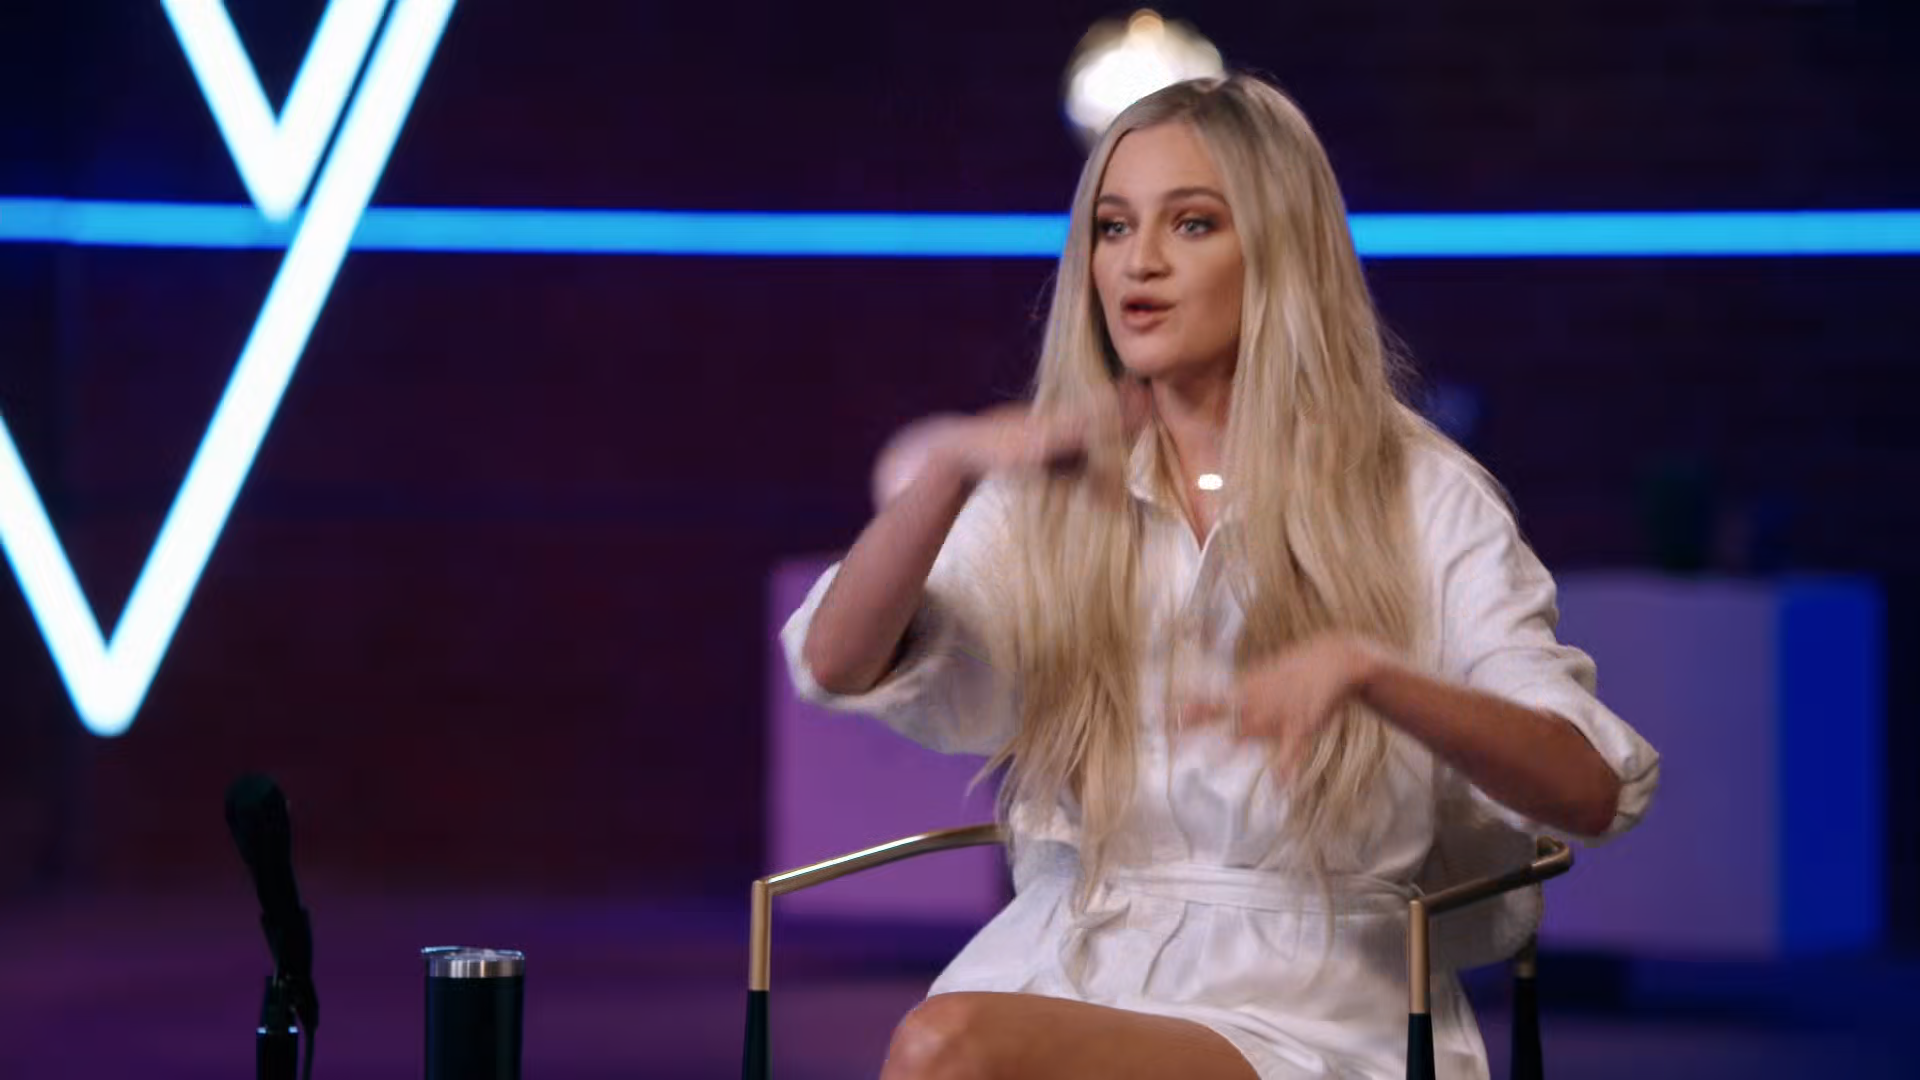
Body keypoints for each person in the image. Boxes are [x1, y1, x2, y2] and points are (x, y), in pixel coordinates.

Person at [781, 73, 1659, 1080]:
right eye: (1113, 228)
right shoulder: (1057, 479)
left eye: (1192, 224)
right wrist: (953, 470)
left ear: (1280, 250)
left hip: (1316, 1000)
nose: (1139, 262)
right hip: (1067, 961)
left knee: (949, 1049)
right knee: (955, 1042)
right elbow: (837, 663)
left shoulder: (1421, 493)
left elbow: (1589, 789)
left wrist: (1373, 673)